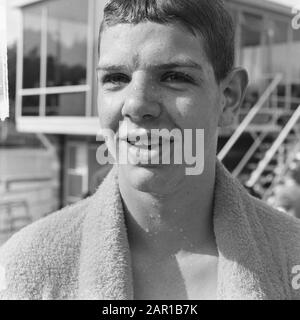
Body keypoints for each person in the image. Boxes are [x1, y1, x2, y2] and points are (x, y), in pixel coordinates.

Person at [1, 0, 300, 300]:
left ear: (229, 98)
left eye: (175, 77)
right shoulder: (25, 269)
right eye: (116, 78)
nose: (137, 105)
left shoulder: (292, 258)